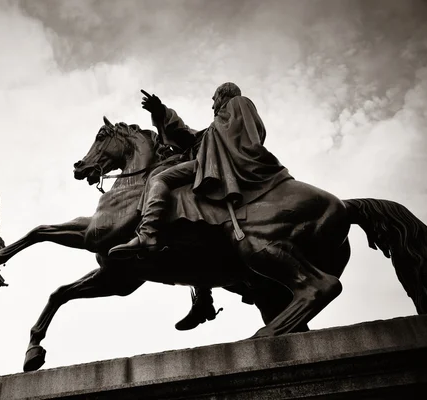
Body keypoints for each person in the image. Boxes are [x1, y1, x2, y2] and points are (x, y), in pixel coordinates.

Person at [109, 82, 293, 330]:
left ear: (223, 97)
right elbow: (183, 133)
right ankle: (203, 299)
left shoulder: (232, 112)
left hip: (212, 172)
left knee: (160, 179)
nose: (213, 104)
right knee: (190, 227)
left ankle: (148, 234)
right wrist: (160, 111)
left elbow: (245, 140)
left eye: (214, 99)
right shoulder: (211, 131)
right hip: (205, 175)